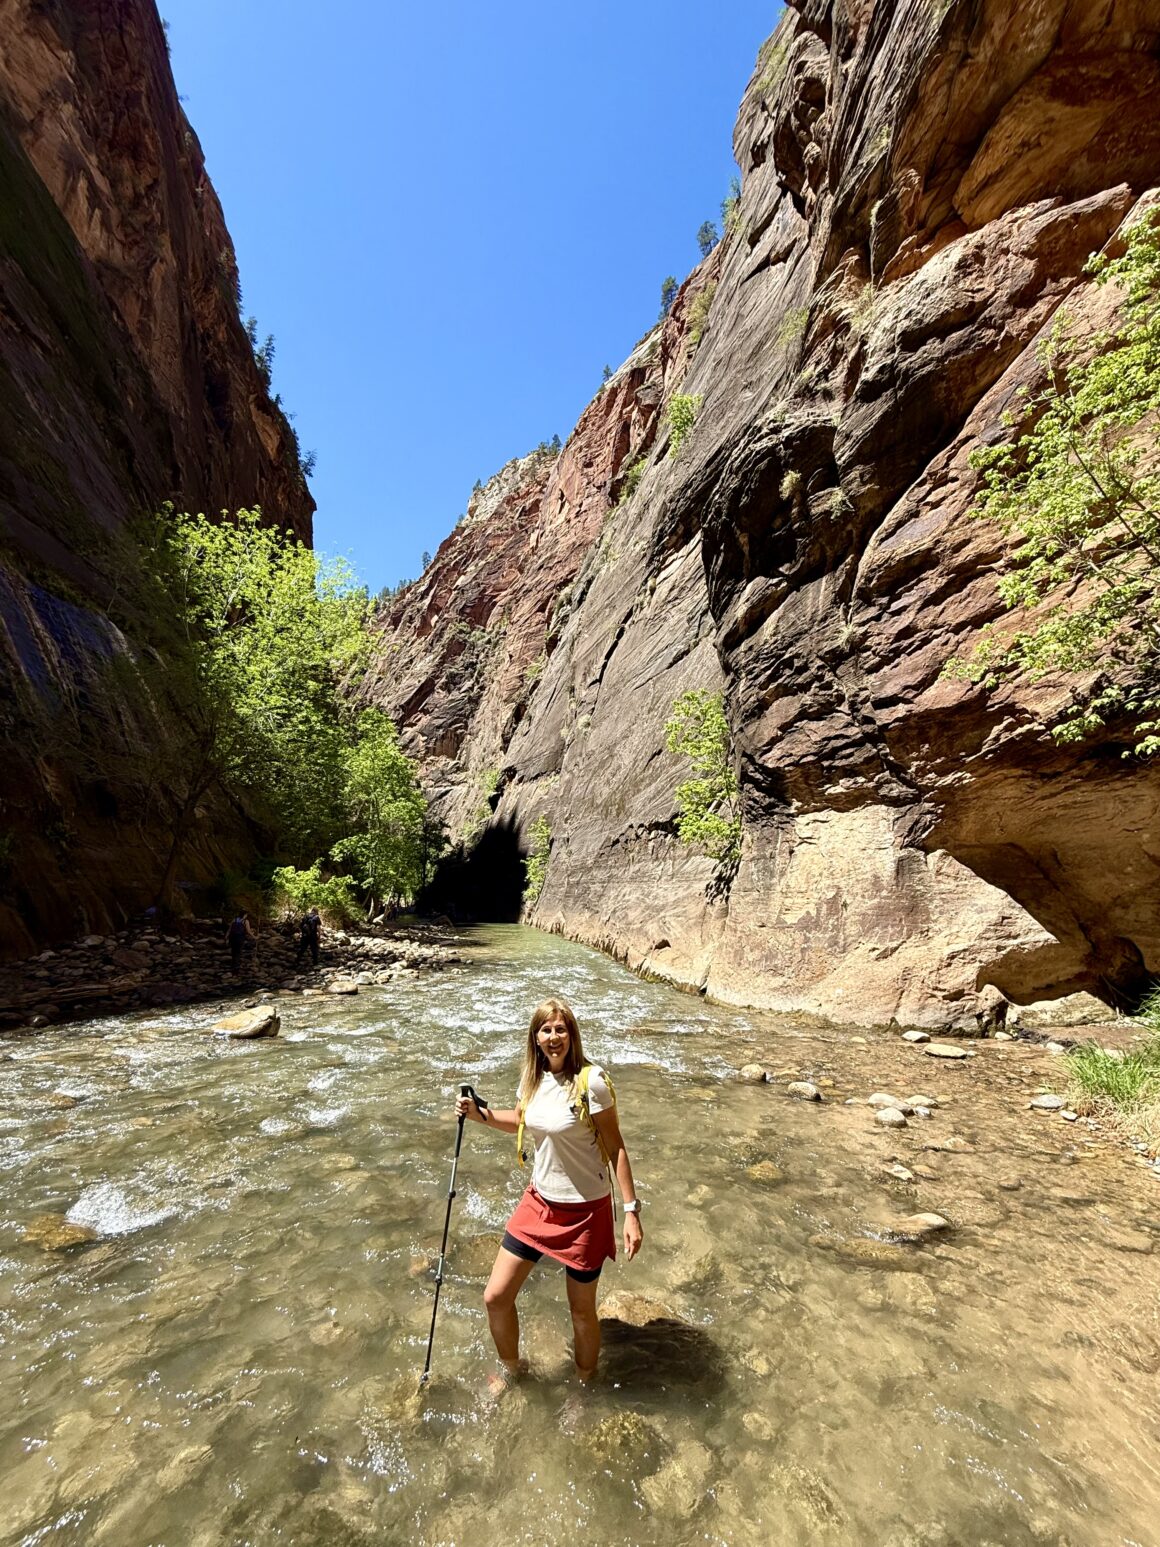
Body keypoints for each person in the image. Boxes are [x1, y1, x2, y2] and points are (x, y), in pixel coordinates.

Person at [454, 997, 643, 1386]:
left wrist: (630, 1210)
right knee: (496, 1297)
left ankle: (584, 1384)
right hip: (539, 1204)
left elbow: (615, 1146)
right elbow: (523, 1120)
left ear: (572, 1035)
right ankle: (511, 1370)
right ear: (535, 1037)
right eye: (546, 1029)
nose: (553, 1037)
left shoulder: (592, 1082)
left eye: (561, 1029)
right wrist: (480, 1115)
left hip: (586, 1212)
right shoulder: (533, 1080)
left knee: (581, 1312)